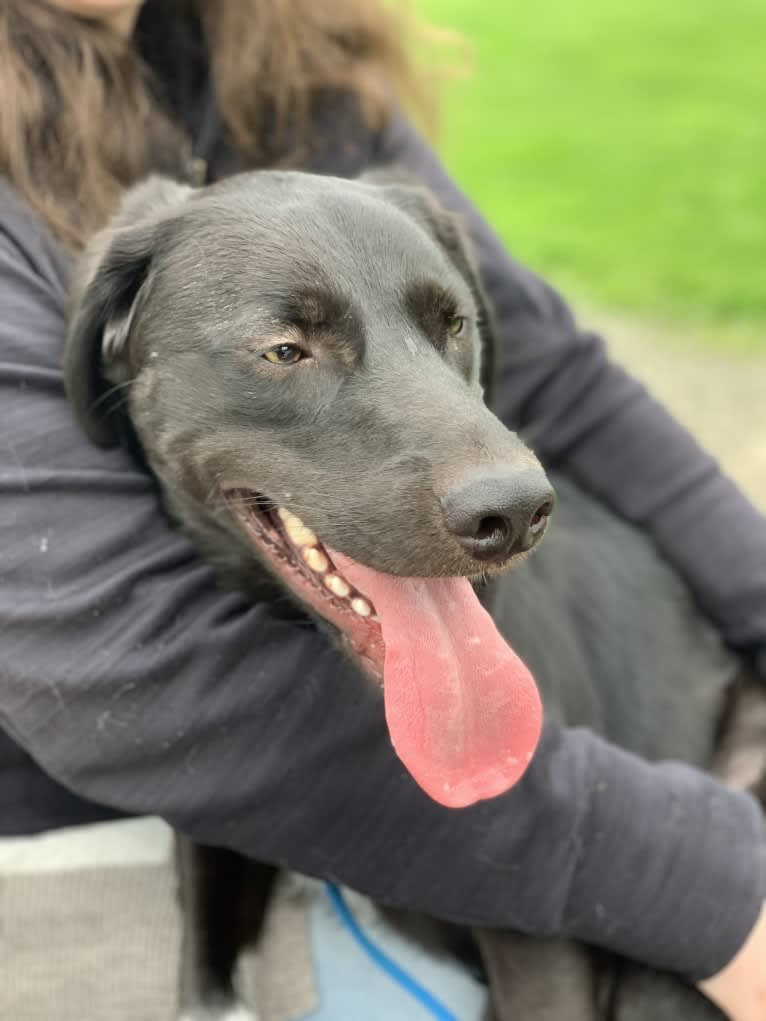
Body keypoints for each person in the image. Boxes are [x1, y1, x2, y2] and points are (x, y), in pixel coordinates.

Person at [0, 1, 764, 1017]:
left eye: (450, 333)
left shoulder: (278, 51)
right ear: (98, 360)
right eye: (284, 349)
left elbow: (559, 384)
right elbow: (132, 674)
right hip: (93, 820)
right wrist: (710, 891)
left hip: (667, 751)